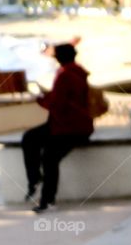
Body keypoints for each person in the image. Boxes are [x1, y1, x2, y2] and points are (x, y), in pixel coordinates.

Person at [21, 43, 94, 212]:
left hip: (69, 127)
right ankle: (36, 182)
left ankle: (46, 198)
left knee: (48, 157)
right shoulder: (77, 72)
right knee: (31, 139)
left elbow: (57, 104)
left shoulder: (66, 75)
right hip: (69, 125)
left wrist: (40, 99)